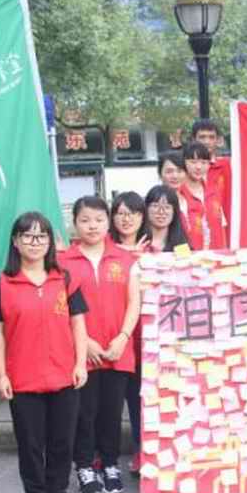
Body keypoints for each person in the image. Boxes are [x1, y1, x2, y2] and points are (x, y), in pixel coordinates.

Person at [0, 212, 88, 493]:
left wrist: (80, 363)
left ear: (49, 242)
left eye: (42, 236)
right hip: (23, 378)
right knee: (30, 444)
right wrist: (1, 374)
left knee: (62, 441)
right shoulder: (0, 285)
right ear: (15, 242)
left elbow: (78, 324)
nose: (35, 242)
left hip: (64, 375)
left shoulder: (65, 279)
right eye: (28, 236)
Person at [59, 196, 141, 493]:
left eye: (98, 220)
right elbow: (61, 308)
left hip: (118, 350)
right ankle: (84, 466)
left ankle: (109, 464)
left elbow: (134, 302)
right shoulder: (63, 261)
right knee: (84, 413)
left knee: (111, 412)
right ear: (75, 223)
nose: (92, 226)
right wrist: (85, 342)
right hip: (81, 353)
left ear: (108, 222)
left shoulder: (125, 258)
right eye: (85, 220)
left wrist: (123, 337)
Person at [108, 192, 147, 477]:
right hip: (112, 336)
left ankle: (141, 452)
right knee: (107, 403)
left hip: (145, 337)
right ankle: (101, 455)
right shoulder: (103, 248)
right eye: (120, 213)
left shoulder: (152, 252)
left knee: (139, 399)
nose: (126, 218)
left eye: (132, 213)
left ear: (142, 217)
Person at [179, 141, 228, 250]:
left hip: (216, 254)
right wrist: (184, 257)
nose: (198, 167)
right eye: (193, 162)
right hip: (190, 256)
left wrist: (224, 251)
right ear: (183, 162)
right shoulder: (178, 194)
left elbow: (221, 226)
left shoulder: (214, 191)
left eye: (204, 162)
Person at [192, 119, 231, 228]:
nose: (206, 141)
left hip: (222, 229)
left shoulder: (227, 166)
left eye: (211, 137)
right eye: (202, 137)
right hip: (194, 228)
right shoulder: (183, 168)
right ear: (193, 139)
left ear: (218, 140)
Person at [145, 185, 192, 253]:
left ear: (174, 212)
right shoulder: (138, 242)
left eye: (167, 207)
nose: (161, 212)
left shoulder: (181, 243)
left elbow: (185, 259)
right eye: (155, 206)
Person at [157, 152, 190, 233]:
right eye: (169, 172)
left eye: (179, 171)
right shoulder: (155, 202)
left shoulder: (192, 199)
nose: (175, 176)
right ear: (160, 174)